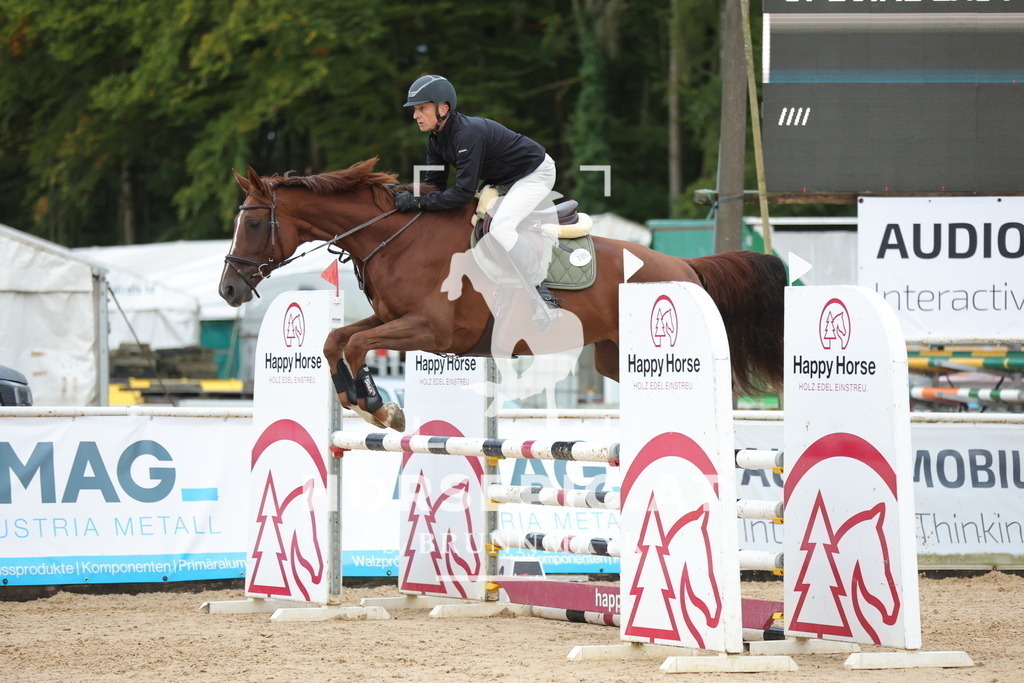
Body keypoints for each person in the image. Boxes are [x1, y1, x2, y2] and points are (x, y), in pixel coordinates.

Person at [394, 74, 560, 325]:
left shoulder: (467, 134)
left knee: (501, 226)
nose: (415, 115)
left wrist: (417, 203)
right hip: (504, 179)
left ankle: (542, 294)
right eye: (415, 110)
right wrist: (400, 194)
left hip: (535, 173)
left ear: (443, 109)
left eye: (421, 108)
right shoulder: (435, 140)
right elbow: (434, 186)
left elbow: (462, 194)